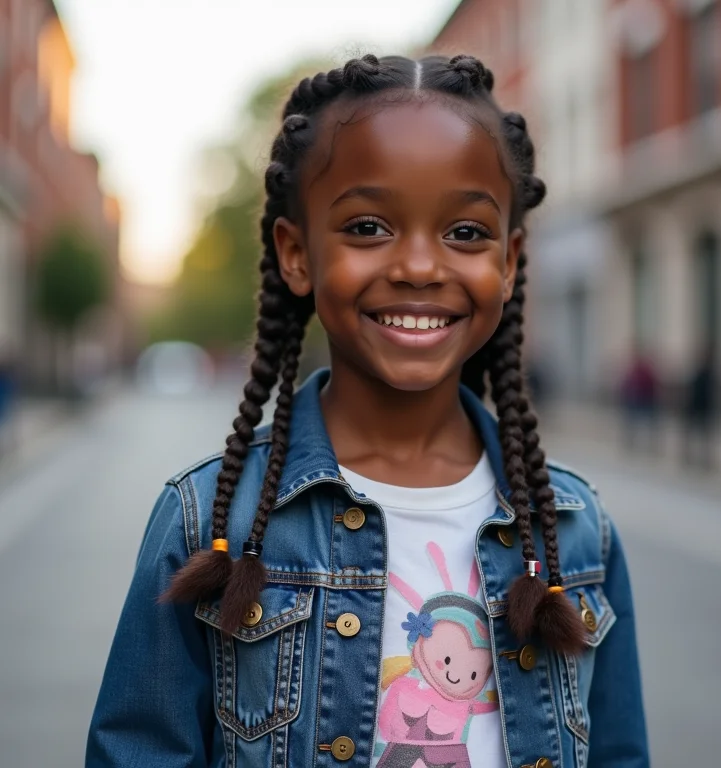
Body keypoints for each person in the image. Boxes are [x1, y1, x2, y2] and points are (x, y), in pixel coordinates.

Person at [86, 54, 648, 768]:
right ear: (296, 254)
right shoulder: (209, 523)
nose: (419, 265)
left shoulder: (577, 530)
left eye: (466, 234)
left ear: (508, 262)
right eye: (369, 227)